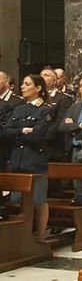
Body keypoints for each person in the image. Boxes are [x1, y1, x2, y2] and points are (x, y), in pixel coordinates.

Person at [0, 74, 52, 242]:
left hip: (35, 160)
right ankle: (22, 236)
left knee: (38, 200)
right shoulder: (18, 108)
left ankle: (41, 236)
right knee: (16, 199)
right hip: (17, 159)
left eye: (27, 84)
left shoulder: (45, 109)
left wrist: (19, 133)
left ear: (38, 88)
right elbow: (5, 132)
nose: (22, 87)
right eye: (22, 84)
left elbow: (38, 135)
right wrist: (23, 131)